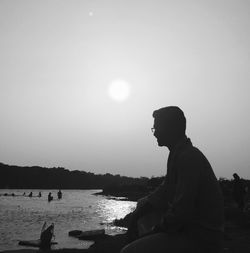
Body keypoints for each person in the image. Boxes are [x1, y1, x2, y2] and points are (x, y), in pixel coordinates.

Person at [121, 106, 224, 253]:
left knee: (128, 251)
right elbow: (165, 191)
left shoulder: (188, 157)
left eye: (157, 128)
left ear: (171, 128)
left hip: (201, 237)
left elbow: (182, 211)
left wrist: (155, 231)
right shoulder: (178, 154)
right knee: (143, 204)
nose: (154, 133)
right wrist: (138, 213)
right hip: (190, 230)